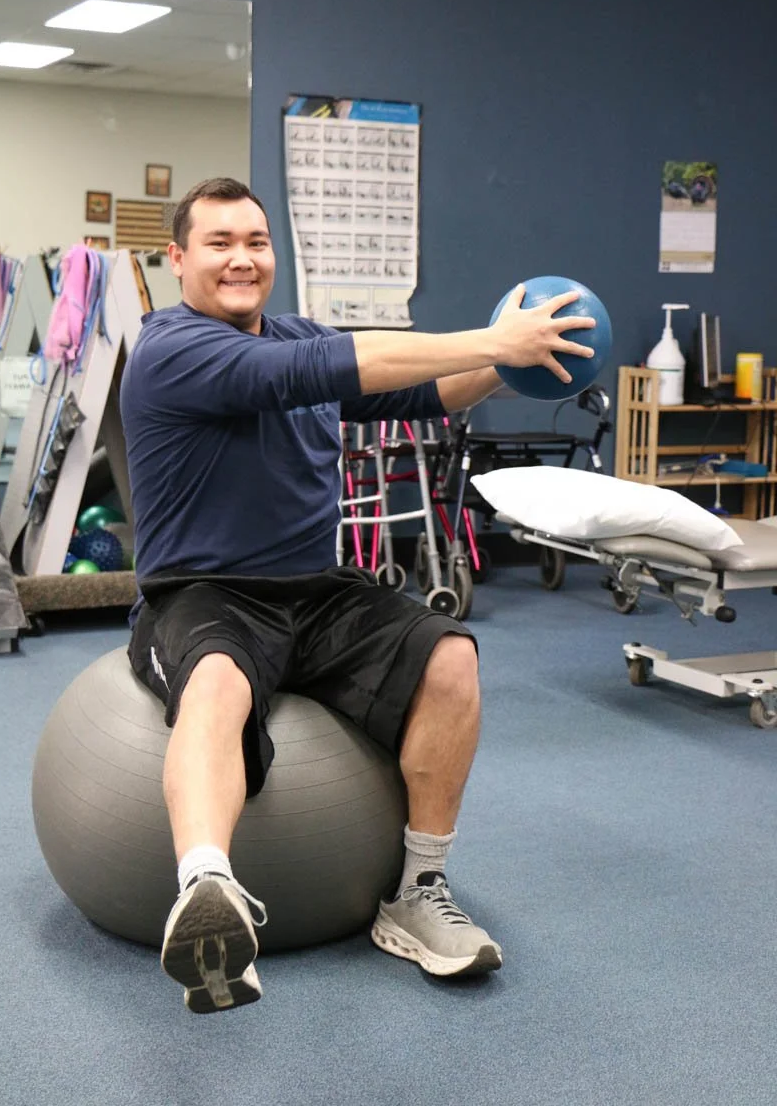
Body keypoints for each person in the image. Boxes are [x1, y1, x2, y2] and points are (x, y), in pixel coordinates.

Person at [120, 176, 595, 1014]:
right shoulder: (172, 349)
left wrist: (510, 367)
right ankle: (208, 891)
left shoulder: (298, 334)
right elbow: (331, 364)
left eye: (256, 242)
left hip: (317, 587)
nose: (242, 259)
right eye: (220, 243)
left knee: (450, 657)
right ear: (179, 258)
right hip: (202, 591)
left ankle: (418, 890)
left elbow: (415, 392)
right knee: (219, 679)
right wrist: (491, 336)